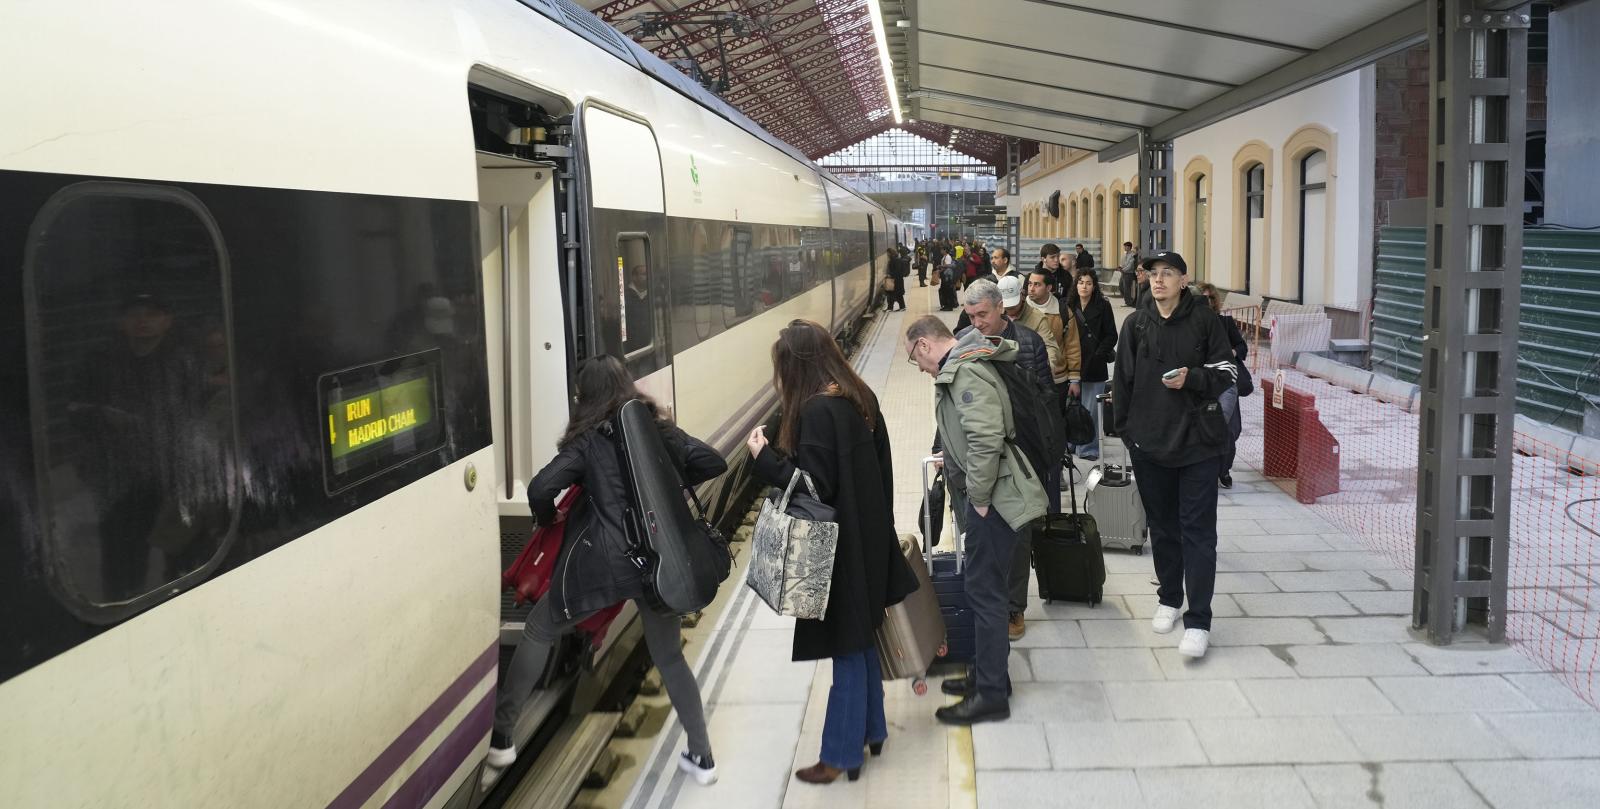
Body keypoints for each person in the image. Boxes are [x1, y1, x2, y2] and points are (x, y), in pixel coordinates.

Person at [490, 356, 728, 785]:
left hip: (604, 565)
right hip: (658, 563)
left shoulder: (587, 441)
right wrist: (663, 482)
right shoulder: (656, 428)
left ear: (585, 398)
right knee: (670, 657)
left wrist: (547, 520)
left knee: (539, 630)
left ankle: (504, 738)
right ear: (626, 385)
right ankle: (702, 756)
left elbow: (541, 488)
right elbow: (713, 462)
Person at [747, 320, 919, 785]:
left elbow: (814, 489)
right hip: (868, 536)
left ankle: (841, 755)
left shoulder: (818, 412)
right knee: (861, 636)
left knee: (847, 647)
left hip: (837, 550)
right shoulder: (859, 396)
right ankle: (873, 729)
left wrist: (766, 461)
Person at [906, 315, 1046, 725]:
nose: (918, 366)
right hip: (990, 496)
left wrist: (980, 500)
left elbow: (986, 439)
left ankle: (990, 696)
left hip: (993, 500)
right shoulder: (964, 365)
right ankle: (991, 678)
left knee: (985, 594)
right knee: (984, 588)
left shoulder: (965, 373)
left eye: (915, 356)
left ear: (926, 345)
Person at [1111, 252, 1236, 659]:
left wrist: (1193, 378)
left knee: (1198, 533)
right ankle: (1169, 598)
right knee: (1163, 529)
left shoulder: (1204, 321)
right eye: (1153, 274)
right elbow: (1123, 382)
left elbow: (1228, 373)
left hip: (1197, 445)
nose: (1158, 280)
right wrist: (1129, 434)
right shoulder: (1136, 324)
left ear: (1184, 280)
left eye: (1168, 274)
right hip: (1150, 446)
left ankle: (1199, 619)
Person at [958, 278, 1051, 641]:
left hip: (1021, 450)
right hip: (980, 452)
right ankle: (986, 603)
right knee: (982, 533)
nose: (976, 323)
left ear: (1001, 307)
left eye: (982, 314)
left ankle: (1014, 609)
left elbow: (1046, 395)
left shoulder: (1028, 341)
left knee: (1017, 535)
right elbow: (952, 395)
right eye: (970, 316)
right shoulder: (965, 339)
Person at [1015, 269, 1081, 505]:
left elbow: (1070, 346)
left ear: (1049, 288)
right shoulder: (1012, 312)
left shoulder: (1060, 312)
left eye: (1037, 284)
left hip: (1056, 380)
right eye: (1029, 284)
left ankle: (1057, 468)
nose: (1032, 288)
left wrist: (1074, 377)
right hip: (1028, 386)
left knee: (1054, 428)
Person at [1197, 283, 1249, 488]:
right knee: (1207, 426)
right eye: (1202, 298)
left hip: (1228, 382)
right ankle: (1207, 469)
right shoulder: (1193, 325)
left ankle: (1224, 470)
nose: (1207, 302)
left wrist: (1233, 352)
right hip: (1204, 383)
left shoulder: (1225, 323)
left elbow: (1241, 346)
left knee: (1231, 429)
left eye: (1210, 298)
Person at [1065, 268, 1117, 461]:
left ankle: (1089, 447)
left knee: (1091, 409)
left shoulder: (1103, 306)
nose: (1084, 286)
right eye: (1080, 282)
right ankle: (1070, 442)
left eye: (1088, 283)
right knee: (1071, 406)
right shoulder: (1068, 305)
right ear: (1075, 284)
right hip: (1072, 362)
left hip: (1094, 364)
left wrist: (1098, 354)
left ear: (1094, 286)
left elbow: (1111, 334)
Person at [624, 264, 652, 352]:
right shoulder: (625, 296)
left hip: (649, 347)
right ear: (634, 277)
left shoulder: (651, 295)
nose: (647, 277)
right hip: (632, 350)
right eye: (644, 274)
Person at [1117, 241, 1139, 306]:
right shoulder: (1124, 254)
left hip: (1129, 274)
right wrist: (1119, 267)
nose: (1124, 248)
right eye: (1124, 246)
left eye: (1126, 246)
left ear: (1129, 247)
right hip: (1123, 273)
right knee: (1121, 287)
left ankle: (1128, 302)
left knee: (1127, 288)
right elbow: (1122, 263)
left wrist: (1123, 270)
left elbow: (1130, 265)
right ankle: (1128, 300)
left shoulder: (1132, 255)